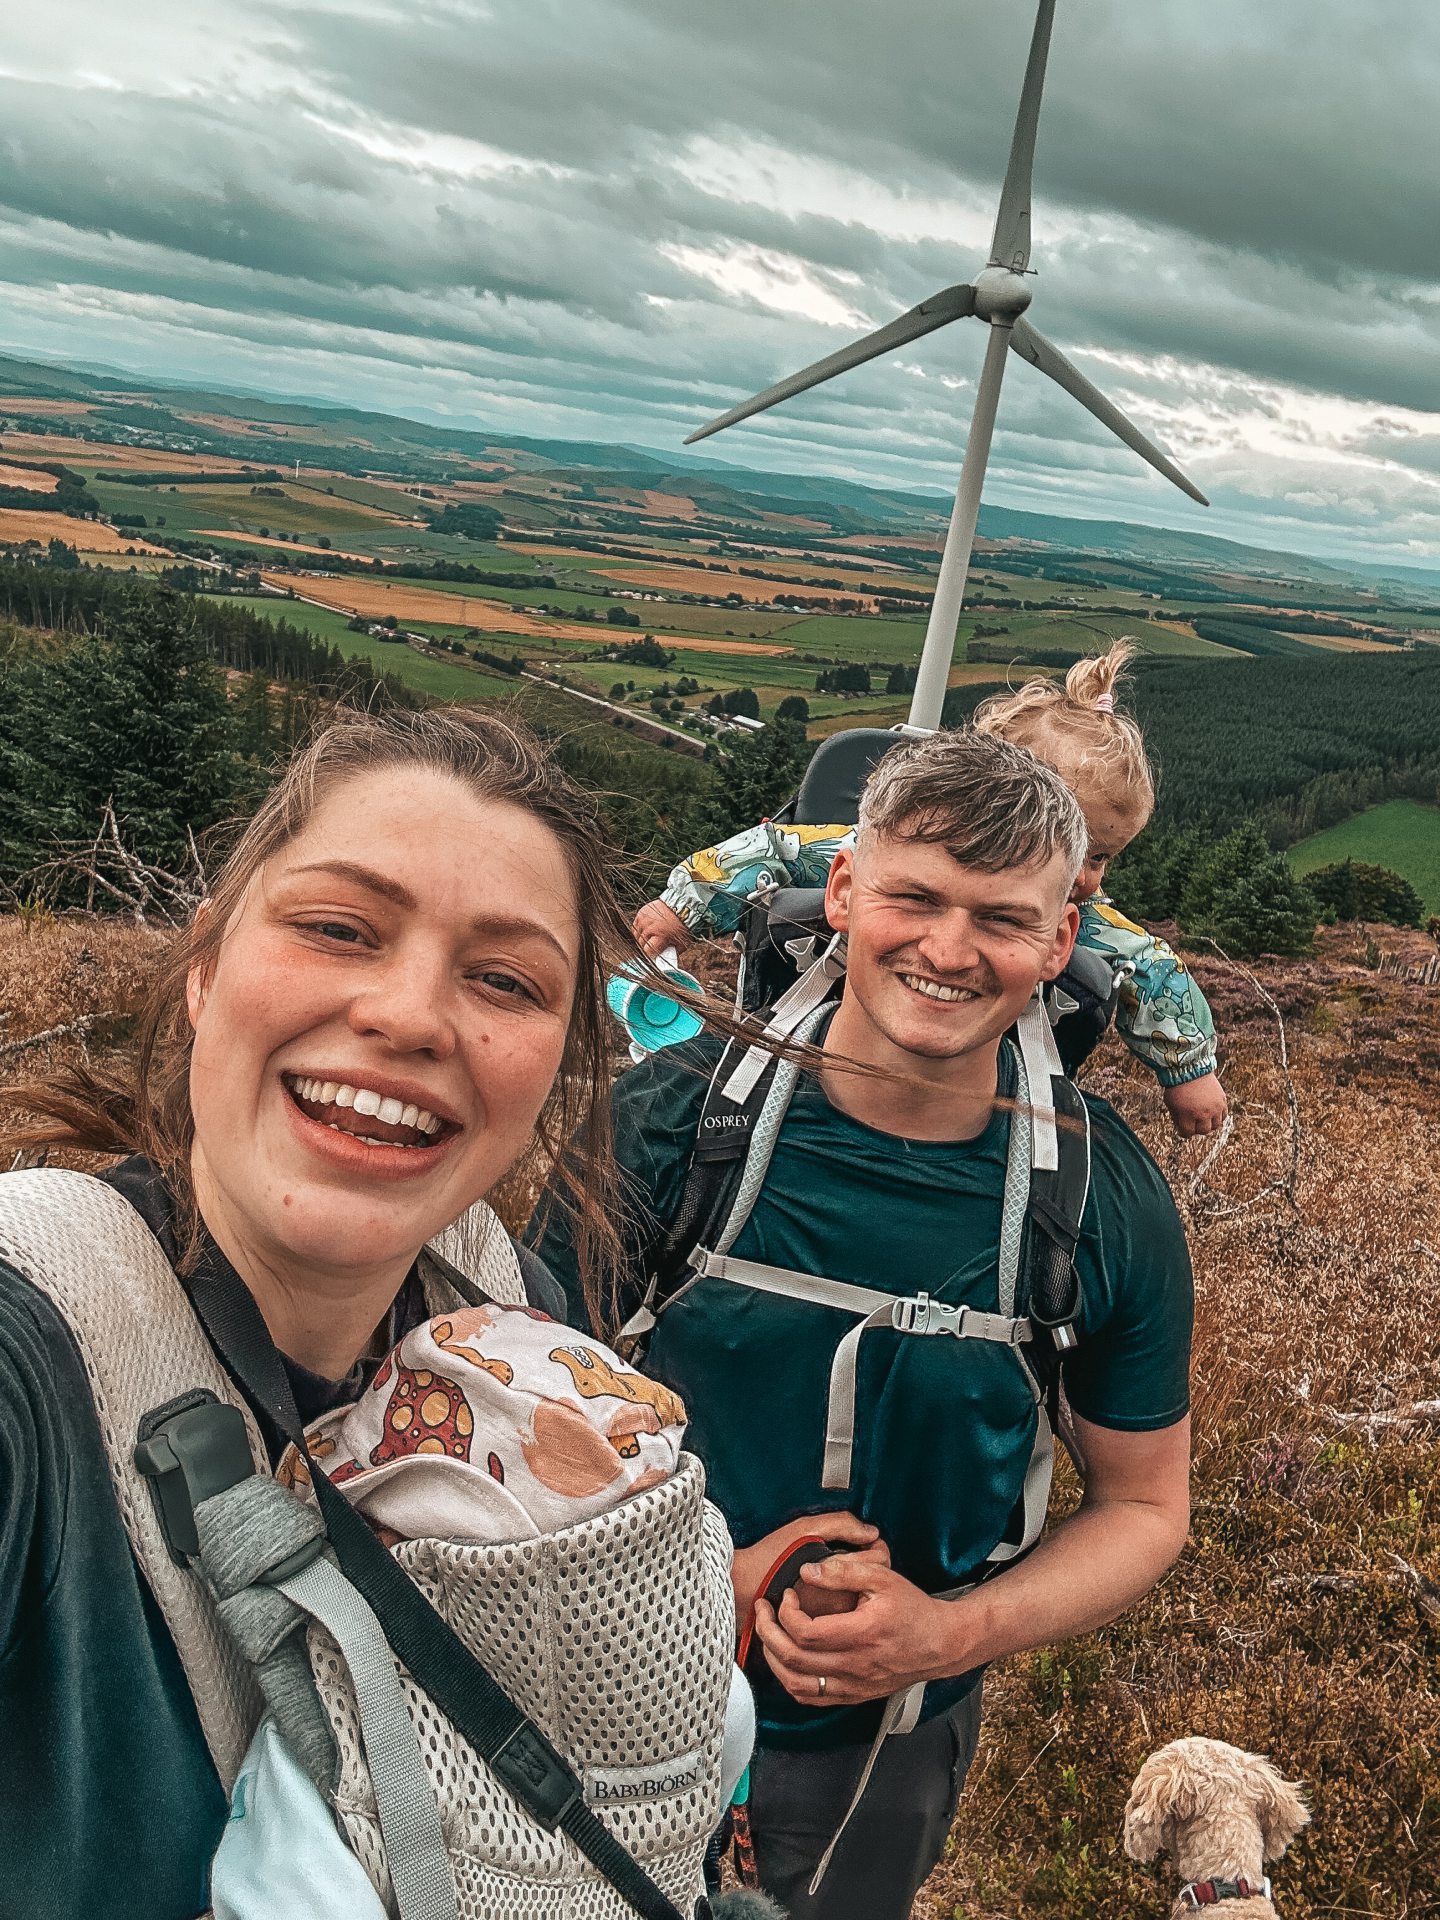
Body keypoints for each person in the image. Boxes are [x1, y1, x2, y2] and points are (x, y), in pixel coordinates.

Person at [0, 707, 706, 1917]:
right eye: (339, 928)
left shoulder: (505, 1323)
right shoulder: (29, 1356)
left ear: (556, 1061)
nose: (412, 1016)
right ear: (207, 966)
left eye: (504, 980)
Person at [535, 729, 1194, 1920]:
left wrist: (947, 1637)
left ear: (1059, 943)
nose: (948, 950)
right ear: (843, 892)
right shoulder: (677, 1122)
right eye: (915, 898)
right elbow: (505, 1403)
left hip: (888, 1748)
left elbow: (1147, 1507)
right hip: (609, 1698)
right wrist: (685, 1585)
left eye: (1000, 919)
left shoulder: (1100, 1196)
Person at [634, 641, 1227, 1138]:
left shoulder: (1082, 916)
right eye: (1069, 845)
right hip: (804, 1053)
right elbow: (776, 850)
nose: (1086, 877)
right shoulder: (882, 848)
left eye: (1099, 856)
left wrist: (1190, 1070)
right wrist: (685, 905)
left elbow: (1153, 973)